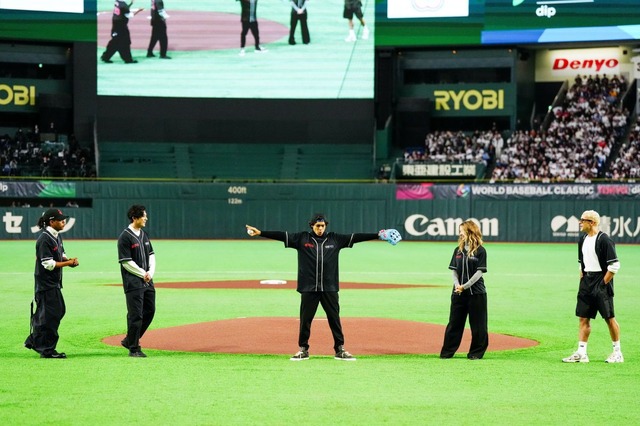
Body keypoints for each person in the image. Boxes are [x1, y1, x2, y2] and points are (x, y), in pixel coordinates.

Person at [246, 214, 400, 361]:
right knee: (306, 320)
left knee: (334, 319)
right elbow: (281, 235)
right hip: (309, 288)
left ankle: (339, 349)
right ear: (312, 225)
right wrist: (261, 233)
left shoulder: (335, 239)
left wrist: (378, 235)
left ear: (326, 226)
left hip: (329, 287)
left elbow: (356, 237)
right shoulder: (302, 238)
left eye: (322, 225)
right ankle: (303, 349)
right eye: (317, 226)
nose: (320, 228)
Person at [562, 210, 623, 363]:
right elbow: (581, 263)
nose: (580, 222)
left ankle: (617, 353)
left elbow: (614, 266)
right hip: (586, 282)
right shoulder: (582, 239)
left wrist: (602, 284)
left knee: (609, 318)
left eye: (583, 220)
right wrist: (583, 281)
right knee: (583, 318)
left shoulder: (604, 240)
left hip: (601, 281)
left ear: (592, 222)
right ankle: (582, 353)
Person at [24, 208, 79, 359]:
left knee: (57, 312)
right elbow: (48, 264)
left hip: (53, 283)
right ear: (51, 222)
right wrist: (67, 263)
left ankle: (35, 341)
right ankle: (46, 349)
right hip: (45, 284)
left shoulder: (56, 236)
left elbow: (61, 255)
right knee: (51, 315)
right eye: (60, 220)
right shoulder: (44, 239)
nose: (63, 221)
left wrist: (69, 261)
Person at [440, 220, 488, 360]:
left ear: (469, 231)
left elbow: (479, 273)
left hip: (476, 293)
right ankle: (447, 352)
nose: (460, 233)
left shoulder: (481, 251)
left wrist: (465, 286)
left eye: (462, 231)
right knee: (454, 323)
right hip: (458, 293)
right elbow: (454, 271)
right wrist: (457, 285)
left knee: (478, 325)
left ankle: (476, 353)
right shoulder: (458, 250)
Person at [117, 205, 156, 357]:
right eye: (144, 216)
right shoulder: (125, 237)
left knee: (150, 311)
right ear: (135, 218)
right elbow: (126, 262)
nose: (146, 218)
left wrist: (150, 273)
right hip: (133, 282)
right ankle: (134, 348)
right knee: (135, 315)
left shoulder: (144, 234)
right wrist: (142, 273)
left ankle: (129, 340)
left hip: (147, 280)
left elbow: (151, 255)